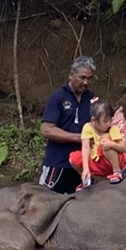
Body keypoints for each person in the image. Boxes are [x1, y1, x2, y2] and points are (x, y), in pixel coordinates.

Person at [38, 57, 97, 192]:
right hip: (58, 162)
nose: (85, 82)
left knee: (79, 204)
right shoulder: (58, 96)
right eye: (82, 77)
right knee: (46, 201)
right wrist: (78, 137)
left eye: (89, 78)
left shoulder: (92, 98)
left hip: (81, 165)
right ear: (71, 75)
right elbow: (46, 130)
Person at [76, 100, 126, 187]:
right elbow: (85, 147)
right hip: (96, 160)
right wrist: (86, 168)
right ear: (93, 120)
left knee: (104, 144)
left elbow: (124, 148)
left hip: (111, 160)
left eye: (110, 120)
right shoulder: (87, 127)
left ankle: (117, 171)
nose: (109, 124)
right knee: (73, 157)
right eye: (105, 121)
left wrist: (112, 144)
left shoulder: (112, 128)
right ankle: (88, 178)